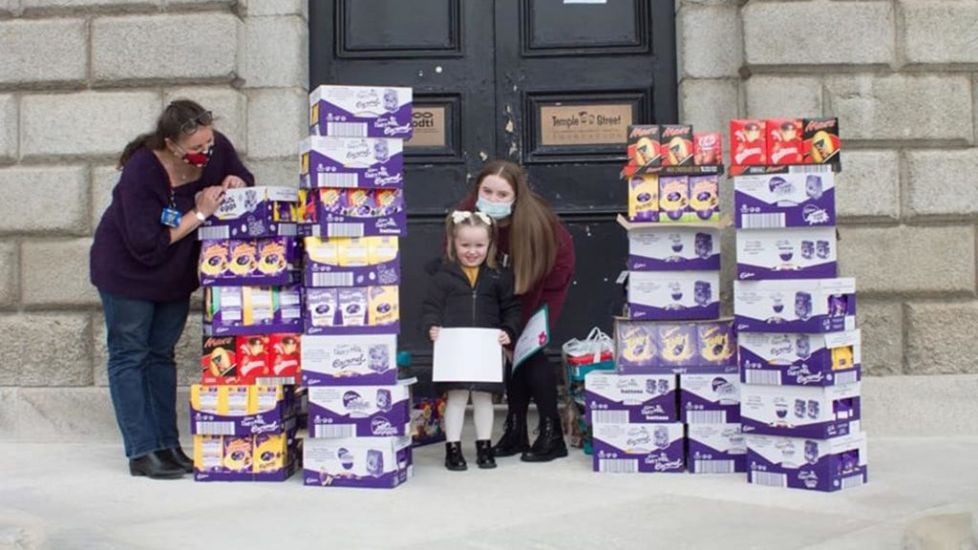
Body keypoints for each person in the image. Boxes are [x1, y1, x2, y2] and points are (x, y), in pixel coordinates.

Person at [90, 100, 253, 479]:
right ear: (172, 144)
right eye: (196, 148)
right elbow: (147, 246)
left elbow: (242, 174)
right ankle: (142, 450)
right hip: (128, 272)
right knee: (130, 355)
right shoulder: (142, 171)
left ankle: (167, 445)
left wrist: (236, 181)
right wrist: (199, 214)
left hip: (173, 276)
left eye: (208, 143)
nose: (205, 153)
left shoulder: (215, 149)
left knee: (161, 355)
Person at [456, 159, 576, 462]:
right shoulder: (469, 210)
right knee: (511, 352)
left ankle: (552, 435)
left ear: (516, 196)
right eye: (488, 191)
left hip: (544, 281)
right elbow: (457, 249)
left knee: (527, 350)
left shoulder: (534, 224)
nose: (492, 200)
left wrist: (516, 328)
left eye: (502, 194)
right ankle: (516, 430)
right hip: (504, 285)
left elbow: (535, 281)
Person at [422, 211, 521, 471]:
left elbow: (511, 308)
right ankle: (452, 448)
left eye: (479, 245)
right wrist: (431, 326)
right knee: (455, 398)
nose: (472, 251)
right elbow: (430, 307)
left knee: (484, 399)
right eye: (465, 245)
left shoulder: (498, 276)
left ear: (490, 244)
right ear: (453, 243)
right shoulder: (443, 277)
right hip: (454, 348)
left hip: (486, 349)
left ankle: (484, 446)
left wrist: (509, 330)